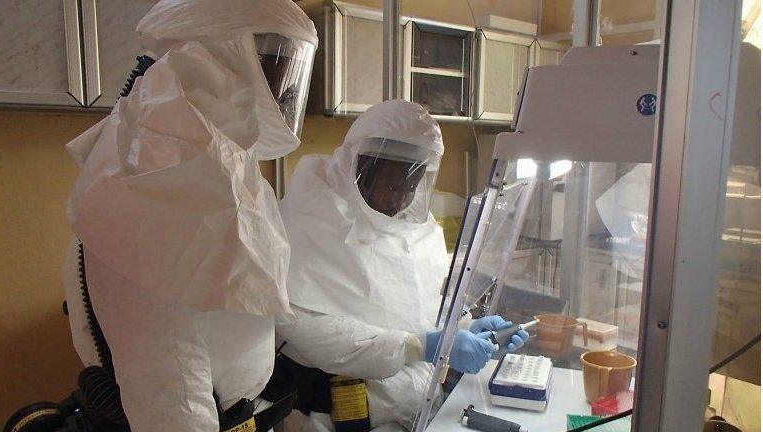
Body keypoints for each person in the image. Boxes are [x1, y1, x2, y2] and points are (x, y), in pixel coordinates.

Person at [61, 0, 317, 430]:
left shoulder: (218, 160)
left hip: (232, 411)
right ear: (219, 56)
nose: (287, 90)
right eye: (275, 63)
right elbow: (166, 375)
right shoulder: (151, 175)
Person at [276, 100, 529, 432]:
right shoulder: (307, 222)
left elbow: (424, 310)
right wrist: (420, 346)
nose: (401, 199)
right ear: (360, 169)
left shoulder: (418, 234)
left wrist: (465, 330)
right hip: (332, 416)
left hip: (412, 410)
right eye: (393, 186)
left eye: (411, 187)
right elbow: (305, 328)